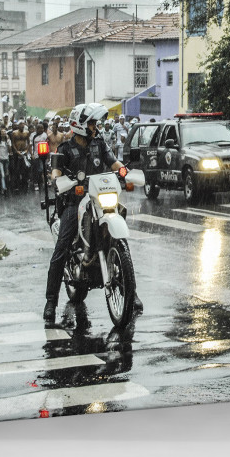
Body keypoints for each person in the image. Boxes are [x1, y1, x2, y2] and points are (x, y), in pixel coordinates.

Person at [43, 103, 142, 323]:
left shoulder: (99, 143)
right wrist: (59, 180)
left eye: (95, 123)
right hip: (75, 202)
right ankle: (50, 301)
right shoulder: (66, 149)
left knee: (121, 242)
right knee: (61, 249)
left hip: (99, 198)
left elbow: (113, 162)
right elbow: (56, 172)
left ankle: (131, 293)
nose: (95, 127)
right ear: (80, 125)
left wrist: (124, 171)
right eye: (92, 123)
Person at [29, 122, 49, 191]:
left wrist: (48, 156)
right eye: (40, 129)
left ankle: (43, 182)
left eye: (43, 128)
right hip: (36, 155)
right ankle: (36, 183)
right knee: (36, 170)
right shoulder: (33, 135)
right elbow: (30, 145)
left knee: (43, 169)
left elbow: (47, 145)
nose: (42, 130)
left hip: (43, 155)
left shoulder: (45, 135)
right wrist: (32, 154)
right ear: (37, 129)